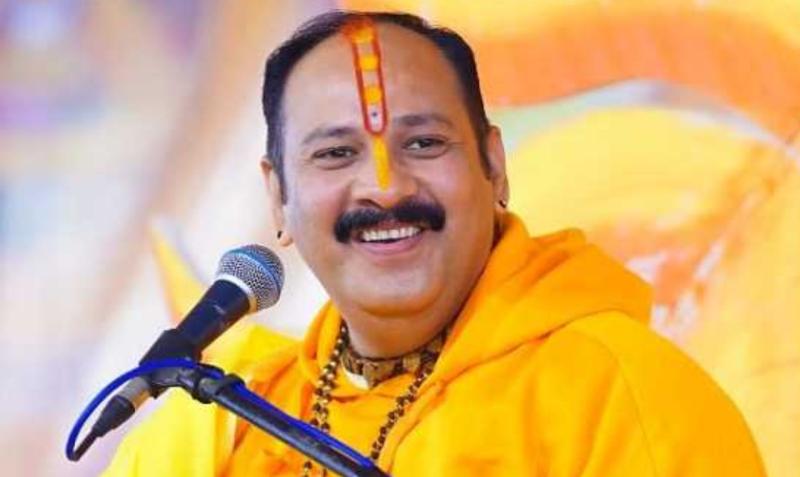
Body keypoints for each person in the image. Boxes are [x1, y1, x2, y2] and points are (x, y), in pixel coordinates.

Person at [104, 10, 765, 476]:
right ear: (278, 198)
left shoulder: (619, 396)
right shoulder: (222, 425)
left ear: (493, 165)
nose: (385, 187)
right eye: (335, 153)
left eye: (423, 143)